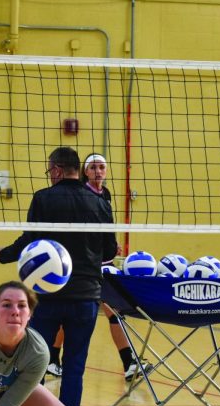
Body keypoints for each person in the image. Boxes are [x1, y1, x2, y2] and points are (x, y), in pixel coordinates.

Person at [0, 147, 117, 406]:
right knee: (74, 368)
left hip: (48, 298)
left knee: (33, 365)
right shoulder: (99, 201)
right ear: (77, 170)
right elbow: (109, 252)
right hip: (85, 297)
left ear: (55, 170)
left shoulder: (44, 198)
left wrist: (2, 254)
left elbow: (29, 240)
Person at [44, 153, 150, 382]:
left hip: (103, 261)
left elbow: (104, 230)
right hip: (84, 265)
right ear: (85, 172)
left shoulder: (106, 194)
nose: (98, 171)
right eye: (93, 167)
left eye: (102, 167)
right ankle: (53, 359)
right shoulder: (80, 194)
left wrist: (110, 246)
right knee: (83, 314)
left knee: (114, 313)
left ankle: (128, 362)